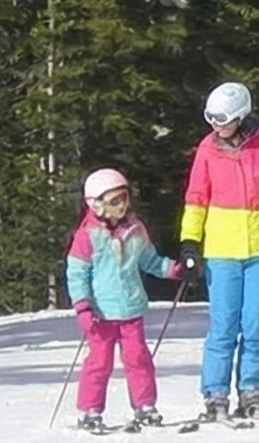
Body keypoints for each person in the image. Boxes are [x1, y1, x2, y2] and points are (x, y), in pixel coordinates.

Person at [181, 81, 259, 424]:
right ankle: (215, 393)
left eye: (221, 118)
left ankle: (251, 391)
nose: (215, 125)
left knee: (256, 325)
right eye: (211, 118)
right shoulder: (208, 149)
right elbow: (196, 198)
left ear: (240, 115)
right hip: (221, 250)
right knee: (223, 325)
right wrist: (190, 243)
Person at [66, 167, 186, 434]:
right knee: (99, 363)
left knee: (139, 359)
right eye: (115, 201)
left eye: (124, 198)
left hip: (131, 309)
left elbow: (150, 261)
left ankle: (144, 405)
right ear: (96, 205)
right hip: (101, 314)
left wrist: (174, 270)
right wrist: (83, 305)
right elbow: (76, 275)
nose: (122, 206)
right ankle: (90, 409)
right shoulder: (87, 236)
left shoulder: (135, 230)